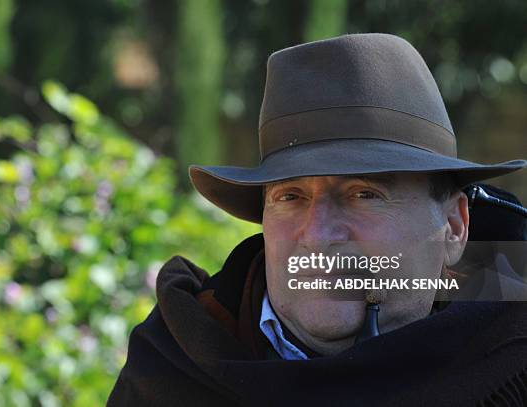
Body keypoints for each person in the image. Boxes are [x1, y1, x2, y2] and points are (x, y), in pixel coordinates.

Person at [107, 33, 527, 406]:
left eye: (365, 194)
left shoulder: (512, 361)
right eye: (290, 196)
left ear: (454, 226)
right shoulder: (171, 369)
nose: (318, 236)